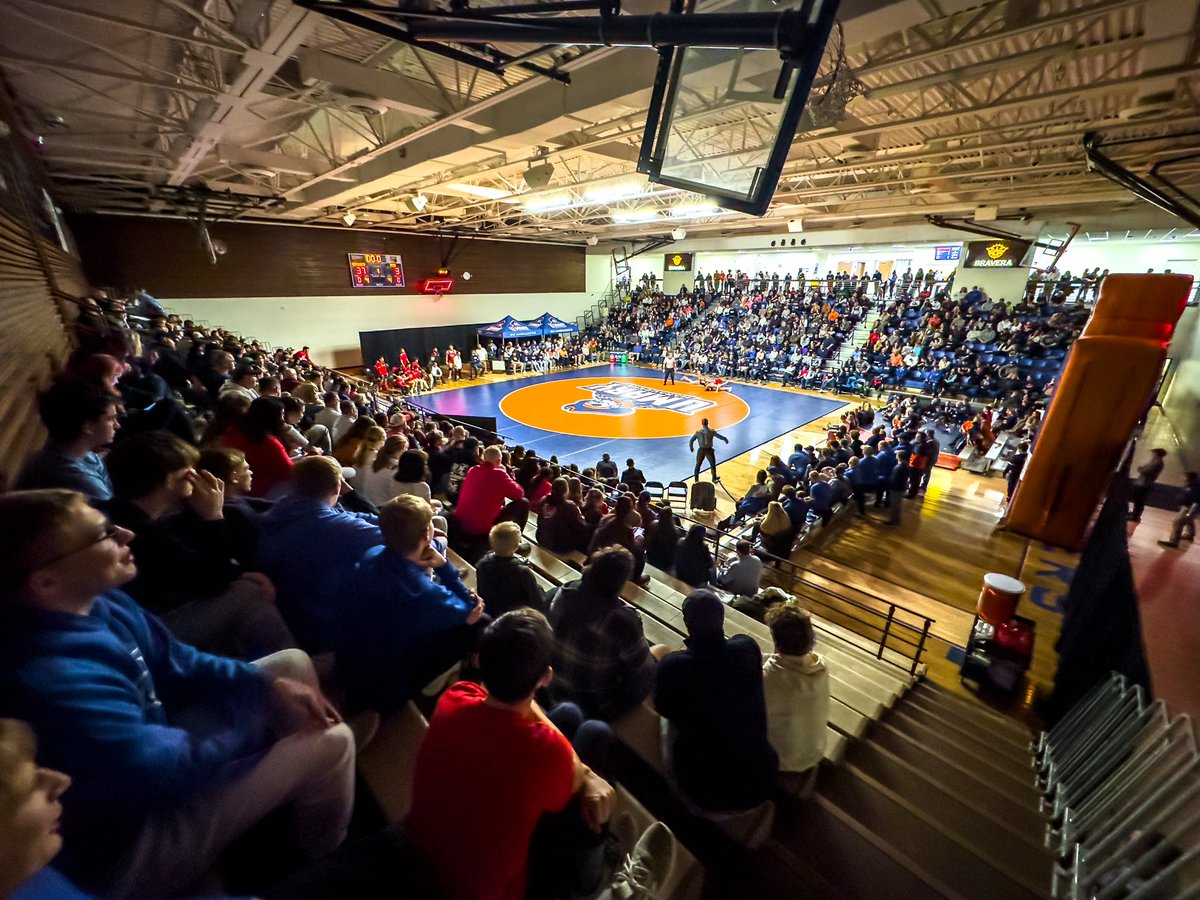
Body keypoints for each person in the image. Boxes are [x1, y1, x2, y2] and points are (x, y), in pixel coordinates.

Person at [0, 490, 355, 896]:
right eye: (103, 535)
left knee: (289, 665)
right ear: (46, 581)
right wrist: (253, 721)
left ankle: (296, 788)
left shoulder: (99, 600)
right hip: (129, 846)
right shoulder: (52, 677)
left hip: (159, 754)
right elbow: (169, 771)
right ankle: (320, 856)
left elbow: (181, 661)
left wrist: (264, 685)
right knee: (334, 743)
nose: (126, 534)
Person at [406, 610, 617, 900]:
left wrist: (583, 772)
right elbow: (572, 776)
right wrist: (590, 775)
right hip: (495, 892)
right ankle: (587, 884)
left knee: (569, 715)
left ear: (479, 660)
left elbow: (511, 708)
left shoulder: (455, 696)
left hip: (428, 857)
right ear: (546, 677)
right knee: (595, 744)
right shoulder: (544, 753)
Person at [101, 431, 294, 659]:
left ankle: (283, 663)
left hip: (138, 623)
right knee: (250, 591)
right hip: (146, 637)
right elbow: (214, 581)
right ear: (169, 479)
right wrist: (213, 517)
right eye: (188, 471)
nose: (197, 475)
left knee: (248, 595)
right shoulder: (142, 531)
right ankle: (291, 666)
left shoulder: (123, 513)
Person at [334, 496, 485, 715]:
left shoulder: (372, 555)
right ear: (427, 534)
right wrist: (444, 567)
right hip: (383, 691)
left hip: (347, 665)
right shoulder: (421, 592)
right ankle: (450, 689)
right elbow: (472, 608)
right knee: (478, 624)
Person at [655, 590, 778, 814]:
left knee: (667, 719)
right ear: (722, 618)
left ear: (686, 622)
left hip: (702, 795)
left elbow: (664, 708)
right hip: (762, 781)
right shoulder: (747, 648)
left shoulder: (673, 666)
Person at [257, 456, 384, 650]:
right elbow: (402, 540)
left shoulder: (282, 508)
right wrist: (438, 541)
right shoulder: (336, 527)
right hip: (323, 629)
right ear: (337, 488)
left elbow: (353, 516)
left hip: (288, 616)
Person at [547, 546, 661, 720]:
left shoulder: (562, 593)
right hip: (596, 706)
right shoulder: (622, 621)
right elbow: (643, 673)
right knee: (660, 652)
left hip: (553, 687)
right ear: (621, 583)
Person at [15, 379, 120, 502]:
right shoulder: (83, 483)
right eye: (110, 419)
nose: (117, 425)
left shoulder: (68, 451)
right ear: (88, 427)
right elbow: (111, 511)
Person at [762, 605, 830, 776]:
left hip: (784, 761)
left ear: (776, 641)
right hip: (815, 751)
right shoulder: (820, 665)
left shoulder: (770, 676)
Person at [219, 396, 295, 498]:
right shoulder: (268, 442)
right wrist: (313, 455)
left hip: (235, 489)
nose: (283, 419)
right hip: (261, 491)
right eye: (281, 415)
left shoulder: (233, 432)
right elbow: (289, 472)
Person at [454, 445, 530, 540]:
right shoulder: (500, 474)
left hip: (459, 522)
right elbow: (519, 494)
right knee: (524, 502)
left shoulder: (473, 470)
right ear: (499, 461)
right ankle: (515, 538)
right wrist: (504, 473)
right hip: (480, 528)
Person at [476, 522, 547, 616]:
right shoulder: (522, 572)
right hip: (516, 615)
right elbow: (537, 602)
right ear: (516, 546)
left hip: (493, 611)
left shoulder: (482, 564)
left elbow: (481, 592)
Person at [536, 477, 592, 555]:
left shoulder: (544, 500)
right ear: (566, 491)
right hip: (559, 546)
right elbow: (581, 527)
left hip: (541, 538)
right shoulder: (569, 506)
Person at [1159, 471, 1199, 549]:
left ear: (1191, 479)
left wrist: (1189, 513)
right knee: (1189, 521)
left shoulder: (1195, 488)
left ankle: (1173, 541)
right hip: (1185, 507)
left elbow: (1195, 502)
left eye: (1185, 477)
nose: (1183, 479)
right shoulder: (1190, 486)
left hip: (1188, 508)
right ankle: (1190, 534)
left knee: (1177, 522)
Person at [1129, 447, 1167, 522]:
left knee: (1139, 501)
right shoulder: (1155, 461)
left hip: (1144, 484)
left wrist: (1141, 469)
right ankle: (1134, 514)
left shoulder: (1156, 462)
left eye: (1154, 453)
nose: (1152, 454)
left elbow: (1145, 470)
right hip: (1143, 483)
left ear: (1157, 454)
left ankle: (1135, 516)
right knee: (1138, 501)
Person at [673, 523, 715, 588]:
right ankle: (715, 585)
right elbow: (710, 564)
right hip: (695, 580)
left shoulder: (680, 541)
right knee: (713, 567)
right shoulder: (703, 547)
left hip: (680, 574)